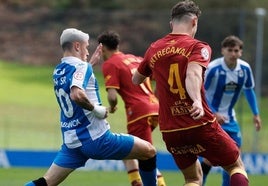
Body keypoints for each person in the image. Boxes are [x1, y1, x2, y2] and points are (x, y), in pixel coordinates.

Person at [132, 1, 249, 186]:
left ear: (172, 24)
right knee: (236, 166)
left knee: (193, 178)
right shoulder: (197, 46)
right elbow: (193, 74)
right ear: (194, 22)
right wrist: (196, 101)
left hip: (170, 129)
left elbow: (136, 80)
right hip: (198, 122)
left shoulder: (154, 48)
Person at [24, 28, 157, 186]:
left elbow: (76, 75)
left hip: (72, 144)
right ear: (77, 46)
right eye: (86, 47)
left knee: (45, 182)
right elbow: (76, 94)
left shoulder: (58, 70)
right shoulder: (82, 67)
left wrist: (89, 65)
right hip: (97, 140)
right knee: (149, 152)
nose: (88, 51)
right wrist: (96, 109)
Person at [97, 30, 166, 186]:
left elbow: (112, 96)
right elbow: (160, 79)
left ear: (102, 48)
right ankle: (137, 182)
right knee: (128, 152)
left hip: (139, 112)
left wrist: (112, 107)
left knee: (145, 154)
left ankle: (157, 184)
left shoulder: (110, 63)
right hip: (155, 108)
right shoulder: (136, 59)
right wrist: (155, 97)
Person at [201, 35, 262, 186]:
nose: (233, 53)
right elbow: (200, 91)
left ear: (240, 52)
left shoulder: (244, 69)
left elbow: (249, 91)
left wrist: (255, 114)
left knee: (234, 158)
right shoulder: (213, 68)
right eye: (230, 50)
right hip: (211, 118)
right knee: (209, 158)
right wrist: (213, 112)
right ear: (223, 51)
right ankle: (199, 182)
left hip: (230, 119)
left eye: (236, 50)